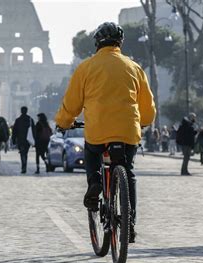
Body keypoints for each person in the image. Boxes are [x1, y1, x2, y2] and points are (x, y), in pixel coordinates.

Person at [55, 22, 156, 243]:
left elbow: (71, 104)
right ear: (120, 43)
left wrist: (63, 123)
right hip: (128, 131)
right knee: (128, 172)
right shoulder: (134, 67)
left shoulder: (86, 68)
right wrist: (145, 122)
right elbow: (147, 107)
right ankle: (129, 222)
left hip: (98, 130)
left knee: (92, 152)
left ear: (97, 43)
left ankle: (95, 182)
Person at [12, 106, 35, 174]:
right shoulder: (30, 119)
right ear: (27, 111)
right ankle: (24, 165)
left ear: (21, 111)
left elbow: (14, 131)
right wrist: (34, 139)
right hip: (28, 139)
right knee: (26, 153)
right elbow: (34, 130)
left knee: (22, 153)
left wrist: (13, 139)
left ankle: (23, 166)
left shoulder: (18, 120)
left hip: (20, 139)